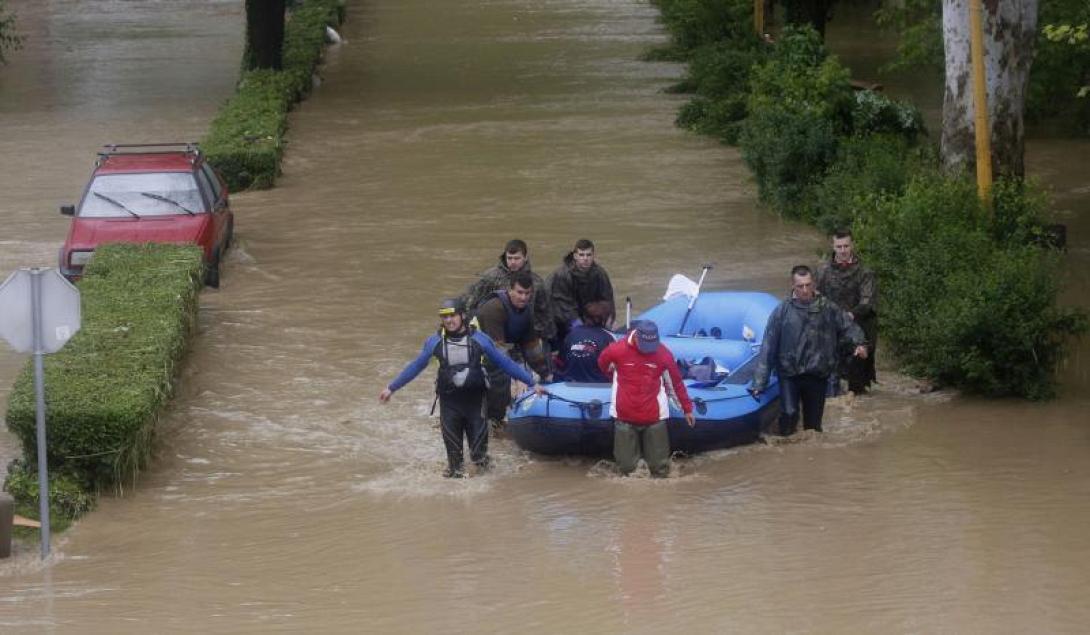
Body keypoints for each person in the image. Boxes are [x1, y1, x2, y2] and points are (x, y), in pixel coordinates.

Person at [379, 298, 544, 478]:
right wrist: (391, 388)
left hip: (476, 405)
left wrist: (531, 383)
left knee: (479, 459)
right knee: (454, 466)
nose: (449, 320)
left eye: (452, 316)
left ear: (463, 315)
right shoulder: (434, 342)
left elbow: (504, 362)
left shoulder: (480, 340)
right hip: (450, 406)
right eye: (445, 317)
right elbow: (416, 366)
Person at [750, 265, 868, 435]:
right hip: (789, 374)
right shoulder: (782, 311)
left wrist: (860, 343)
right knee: (789, 415)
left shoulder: (827, 307)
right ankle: (786, 448)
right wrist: (760, 382)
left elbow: (848, 326)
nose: (805, 290)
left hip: (817, 373)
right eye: (800, 286)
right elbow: (769, 345)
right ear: (792, 286)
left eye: (808, 285)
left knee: (813, 428)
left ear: (814, 284)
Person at [597, 320, 695, 477]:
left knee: (660, 469)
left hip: (654, 417)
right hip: (624, 416)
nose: (649, 351)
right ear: (635, 337)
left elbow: (677, 382)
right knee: (626, 469)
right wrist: (613, 374)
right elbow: (602, 363)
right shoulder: (616, 350)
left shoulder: (664, 354)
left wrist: (687, 409)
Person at [474, 271, 552, 429]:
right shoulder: (493, 309)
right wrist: (518, 377)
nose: (523, 297)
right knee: (501, 378)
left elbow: (532, 347)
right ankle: (493, 421)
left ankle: (506, 414)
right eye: (519, 292)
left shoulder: (526, 311)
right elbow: (498, 353)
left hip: (501, 350)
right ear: (509, 290)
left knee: (531, 376)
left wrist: (547, 374)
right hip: (479, 353)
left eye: (527, 293)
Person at [815, 228, 878, 394]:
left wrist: (850, 315)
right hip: (832, 326)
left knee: (858, 378)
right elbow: (816, 297)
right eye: (839, 246)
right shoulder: (822, 271)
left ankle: (858, 404)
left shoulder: (865, 271)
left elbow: (867, 301)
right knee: (831, 373)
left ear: (852, 245)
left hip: (861, 324)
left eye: (846, 246)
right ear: (833, 246)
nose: (843, 250)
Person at [463, 239, 555, 343]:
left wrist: (546, 338)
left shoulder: (536, 282)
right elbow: (471, 301)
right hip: (494, 329)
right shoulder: (490, 277)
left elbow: (544, 313)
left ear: (525, 258)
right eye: (509, 258)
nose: (513, 262)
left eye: (516, 258)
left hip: (526, 331)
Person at [547, 239, 615, 344]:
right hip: (562, 320)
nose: (585, 259)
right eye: (581, 255)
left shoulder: (600, 274)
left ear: (593, 256)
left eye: (588, 255)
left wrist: (609, 321)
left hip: (587, 316)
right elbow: (563, 306)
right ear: (575, 256)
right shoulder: (562, 275)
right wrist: (580, 327)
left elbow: (608, 299)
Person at [556, 300, 615, 383]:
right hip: (599, 385)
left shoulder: (572, 334)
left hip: (570, 383)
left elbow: (560, 362)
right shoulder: (609, 337)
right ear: (604, 320)